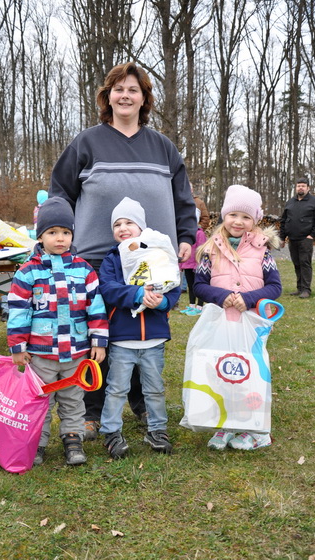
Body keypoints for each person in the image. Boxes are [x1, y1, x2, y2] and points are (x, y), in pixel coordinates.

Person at [49, 62, 197, 440]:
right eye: (118, 89)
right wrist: (56, 234)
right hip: (97, 258)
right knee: (99, 334)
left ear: (144, 98)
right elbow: (60, 193)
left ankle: (144, 404)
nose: (125, 95)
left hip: (151, 259)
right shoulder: (87, 142)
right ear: (107, 96)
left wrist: (185, 235)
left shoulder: (162, 146)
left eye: (133, 89)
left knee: (142, 330)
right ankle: (93, 411)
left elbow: (183, 200)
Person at [7, 197, 108, 467]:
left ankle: (72, 438)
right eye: (52, 233)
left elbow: (95, 307)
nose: (60, 238)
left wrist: (98, 340)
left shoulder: (84, 269)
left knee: (74, 397)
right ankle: (36, 441)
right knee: (40, 398)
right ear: (40, 237)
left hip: (76, 349)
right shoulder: (28, 272)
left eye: (65, 232)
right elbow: (18, 310)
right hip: (41, 352)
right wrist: (18, 346)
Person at [194, 184, 282, 451]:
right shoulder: (211, 248)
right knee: (222, 371)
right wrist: (221, 296)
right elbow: (198, 285)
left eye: (246, 217)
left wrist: (249, 298)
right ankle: (225, 424)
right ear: (224, 215)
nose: (239, 222)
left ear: (254, 220)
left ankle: (254, 427)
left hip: (250, 324)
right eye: (233, 215)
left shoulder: (262, 250)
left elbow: (275, 286)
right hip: (221, 322)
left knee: (250, 374)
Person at [98, 198, 180, 458]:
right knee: (116, 389)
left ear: (142, 227)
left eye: (129, 222)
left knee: (154, 388)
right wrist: (136, 294)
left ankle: (157, 428)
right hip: (122, 339)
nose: (123, 228)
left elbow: (174, 287)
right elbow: (107, 288)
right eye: (117, 224)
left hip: (153, 339)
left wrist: (163, 301)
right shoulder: (113, 259)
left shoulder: (158, 255)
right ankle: (111, 431)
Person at [279, 177, 315, 298]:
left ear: (308, 188)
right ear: (296, 188)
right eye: (298, 186)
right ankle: (299, 288)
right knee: (297, 263)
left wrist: (311, 235)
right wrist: (282, 237)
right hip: (292, 239)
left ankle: (306, 290)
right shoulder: (290, 202)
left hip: (305, 239)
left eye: (303, 185)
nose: (300, 187)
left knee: (305, 263)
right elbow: (284, 220)